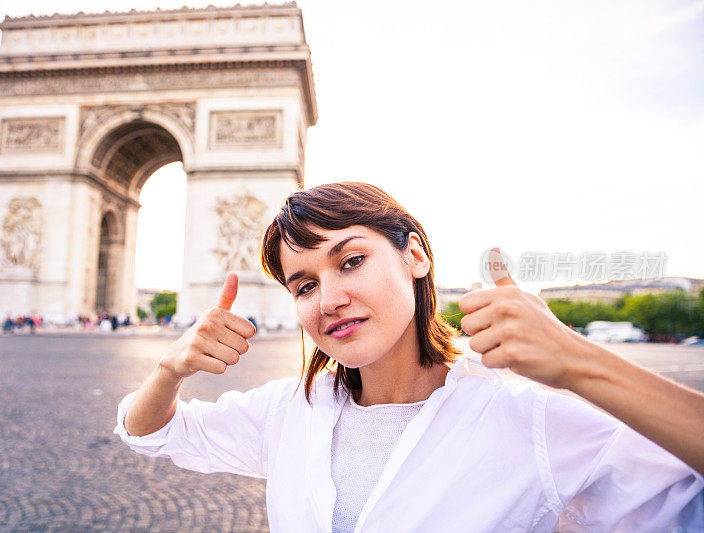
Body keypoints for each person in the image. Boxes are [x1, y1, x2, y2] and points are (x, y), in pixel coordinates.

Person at [115, 182, 703, 531]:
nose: (331, 299)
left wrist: (578, 362)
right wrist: (171, 368)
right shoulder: (287, 410)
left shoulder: (527, 419)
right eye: (304, 286)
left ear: (415, 255)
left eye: (350, 261)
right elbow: (150, 432)